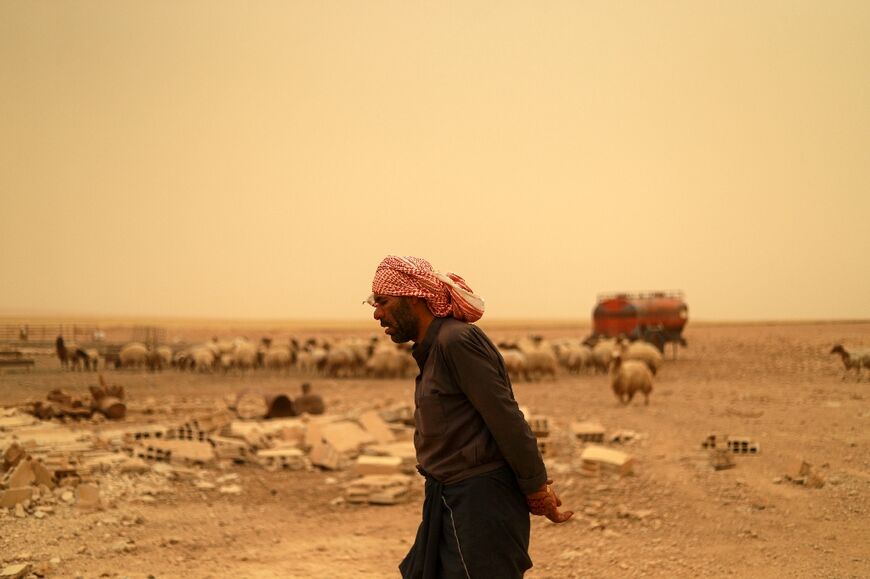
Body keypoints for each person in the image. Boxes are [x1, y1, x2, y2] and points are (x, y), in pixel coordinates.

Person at [366, 256, 572, 579]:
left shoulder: (456, 342)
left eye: (383, 301)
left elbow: (505, 417)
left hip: (479, 503)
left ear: (413, 298)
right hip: (450, 499)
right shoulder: (434, 348)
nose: (376, 313)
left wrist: (536, 488)